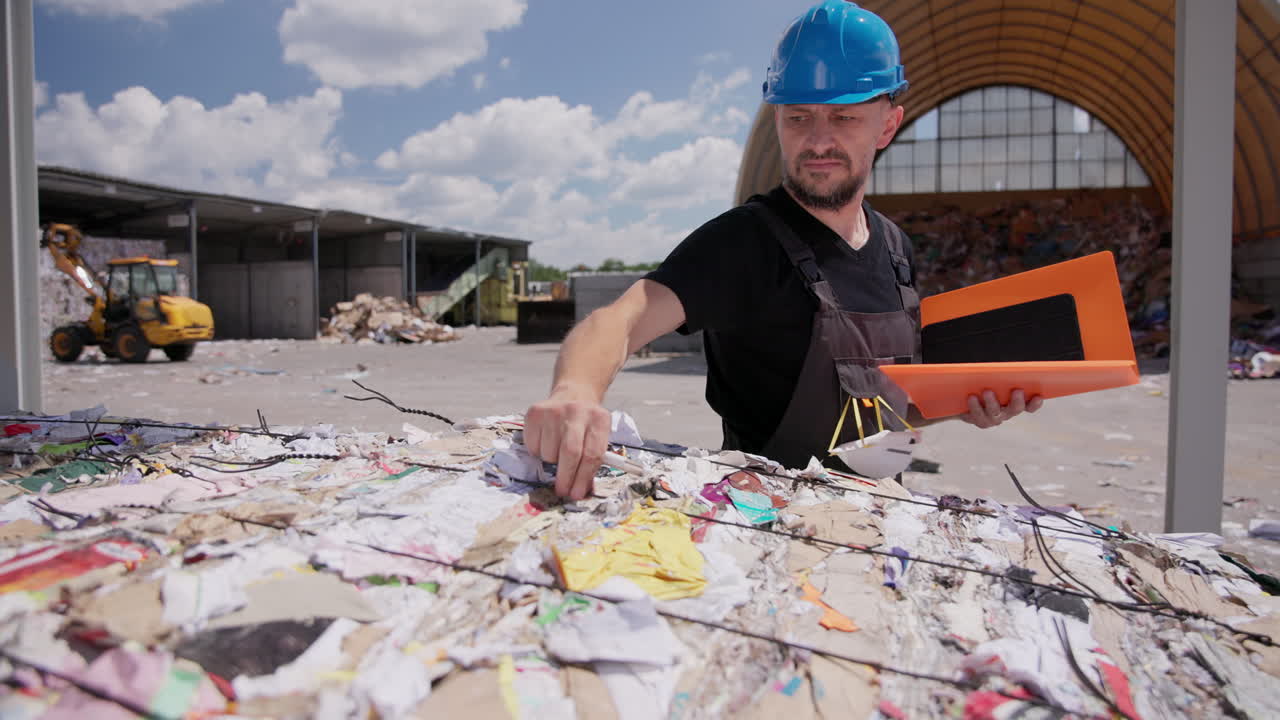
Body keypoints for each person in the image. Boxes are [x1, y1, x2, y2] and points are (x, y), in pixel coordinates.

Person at [525, 0, 1042, 500]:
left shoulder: (895, 247)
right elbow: (620, 318)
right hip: (767, 525)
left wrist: (967, 403)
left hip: (881, 519)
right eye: (798, 117)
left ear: (887, 125)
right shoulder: (743, 243)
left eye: (844, 118)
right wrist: (574, 390)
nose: (818, 141)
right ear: (777, 120)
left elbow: (885, 409)